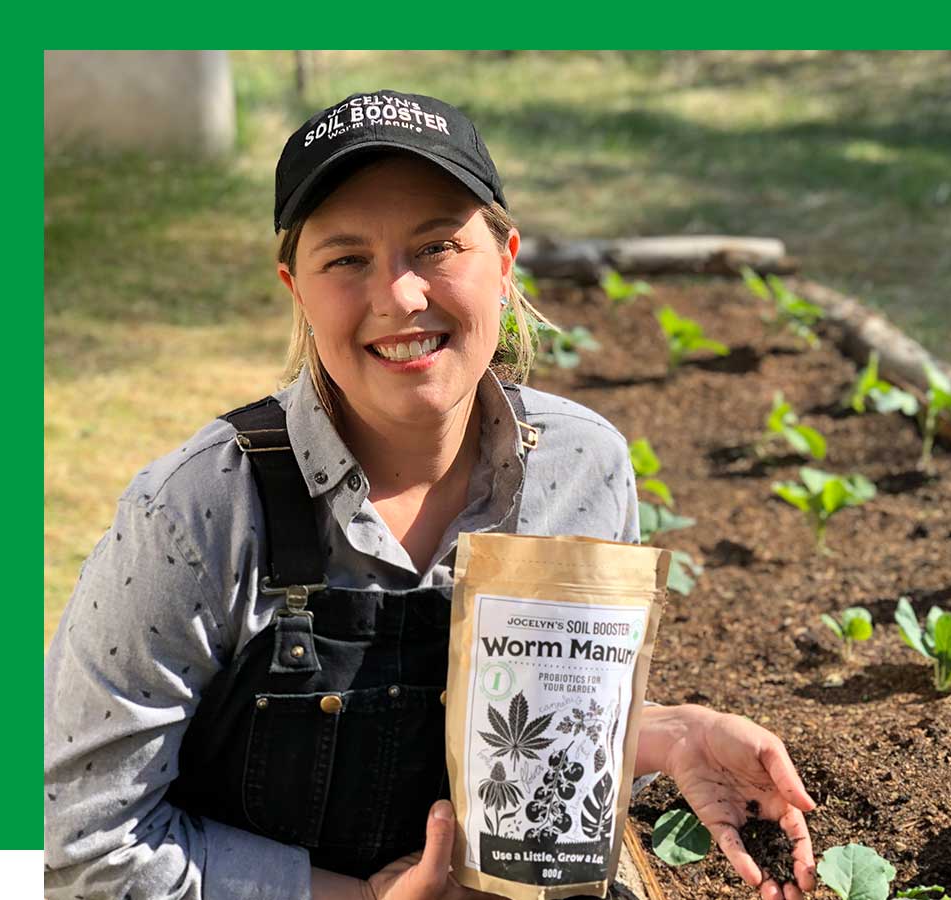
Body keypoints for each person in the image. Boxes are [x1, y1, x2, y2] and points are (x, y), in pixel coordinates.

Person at [44, 90, 817, 900]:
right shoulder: (199, 511)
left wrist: (669, 733)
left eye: (439, 245)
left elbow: (540, 734)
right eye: (346, 258)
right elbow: (72, 840)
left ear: (506, 257)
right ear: (295, 288)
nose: (403, 296)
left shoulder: (582, 469)